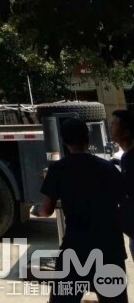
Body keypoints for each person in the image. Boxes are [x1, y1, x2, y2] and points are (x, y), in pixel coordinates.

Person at [32, 117, 128, 302]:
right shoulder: (108, 168)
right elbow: (122, 202)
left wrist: (37, 211)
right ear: (88, 138)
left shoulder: (59, 169)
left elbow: (46, 210)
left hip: (76, 248)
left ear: (65, 141)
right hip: (109, 247)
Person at [111, 109, 134, 258]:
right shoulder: (126, 157)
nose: (110, 127)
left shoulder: (131, 158)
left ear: (125, 133)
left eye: (113, 125)